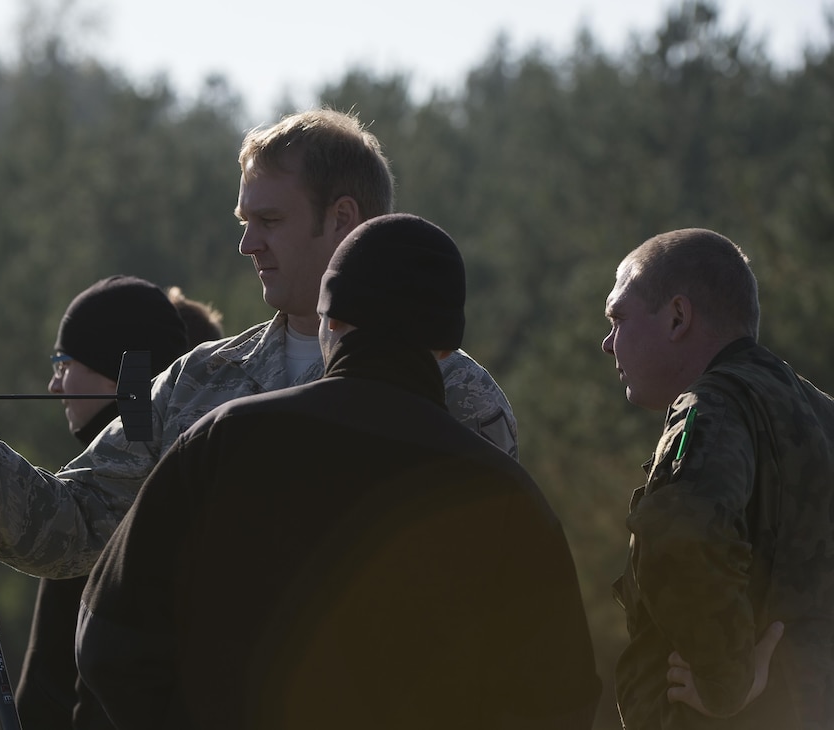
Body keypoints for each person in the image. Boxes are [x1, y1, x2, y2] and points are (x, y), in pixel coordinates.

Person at [0, 107, 517, 583]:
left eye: (269, 221)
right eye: (244, 224)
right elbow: (75, 526)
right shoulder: (199, 382)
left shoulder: (456, 396)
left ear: (343, 219)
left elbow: (489, 588)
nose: (248, 246)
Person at [75, 213, 601, 730]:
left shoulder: (223, 440)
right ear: (444, 347)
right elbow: (559, 701)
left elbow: (107, 634)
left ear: (331, 322)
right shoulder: (503, 495)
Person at [602, 227, 834, 729]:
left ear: (678, 317)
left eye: (618, 317)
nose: (607, 342)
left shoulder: (711, 405)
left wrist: (725, 680)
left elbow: (681, 531)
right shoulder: (820, 415)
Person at [14, 277, 222, 728]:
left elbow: (46, 693)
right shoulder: (208, 474)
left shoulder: (100, 500)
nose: (53, 384)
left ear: (117, 370)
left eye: (63, 361)